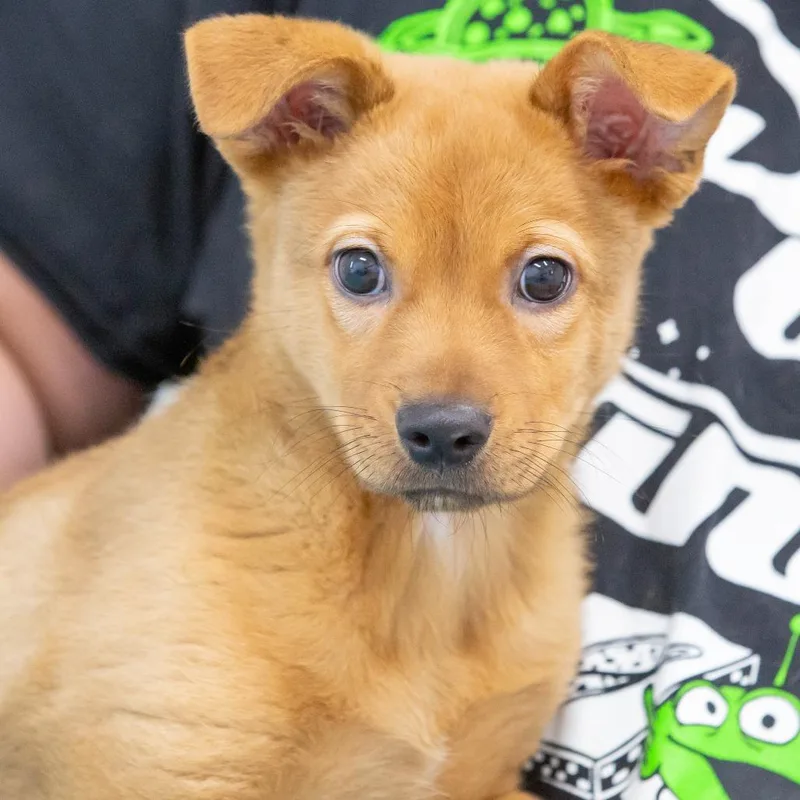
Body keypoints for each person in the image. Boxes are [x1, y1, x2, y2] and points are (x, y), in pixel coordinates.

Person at [1, 1, 798, 797]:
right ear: (282, 134)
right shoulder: (197, 583)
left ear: (643, 162)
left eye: (542, 280)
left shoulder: (533, 609)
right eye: (361, 272)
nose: (445, 401)